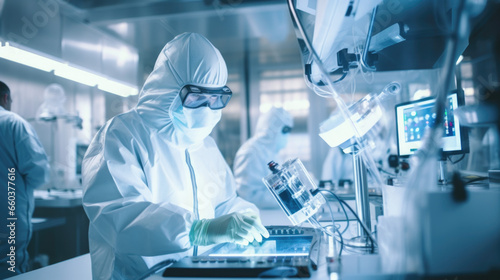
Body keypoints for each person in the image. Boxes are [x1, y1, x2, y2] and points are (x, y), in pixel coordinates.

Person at [82, 33, 269, 280]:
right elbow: (119, 215)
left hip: (196, 272)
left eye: (215, 99)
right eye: (197, 98)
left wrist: (243, 214)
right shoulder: (122, 135)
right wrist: (197, 230)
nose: (207, 109)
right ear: (167, 92)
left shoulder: (206, 146)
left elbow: (223, 202)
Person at [0, 81, 50, 278]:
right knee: (10, 267)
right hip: (7, 216)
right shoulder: (12, 123)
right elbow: (38, 170)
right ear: (5, 98)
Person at [233, 107, 293, 209]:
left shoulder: (272, 152)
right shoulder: (250, 152)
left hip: (272, 215)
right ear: (271, 129)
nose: (287, 135)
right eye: (285, 130)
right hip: (260, 216)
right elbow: (249, 196)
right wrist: (287, 195)